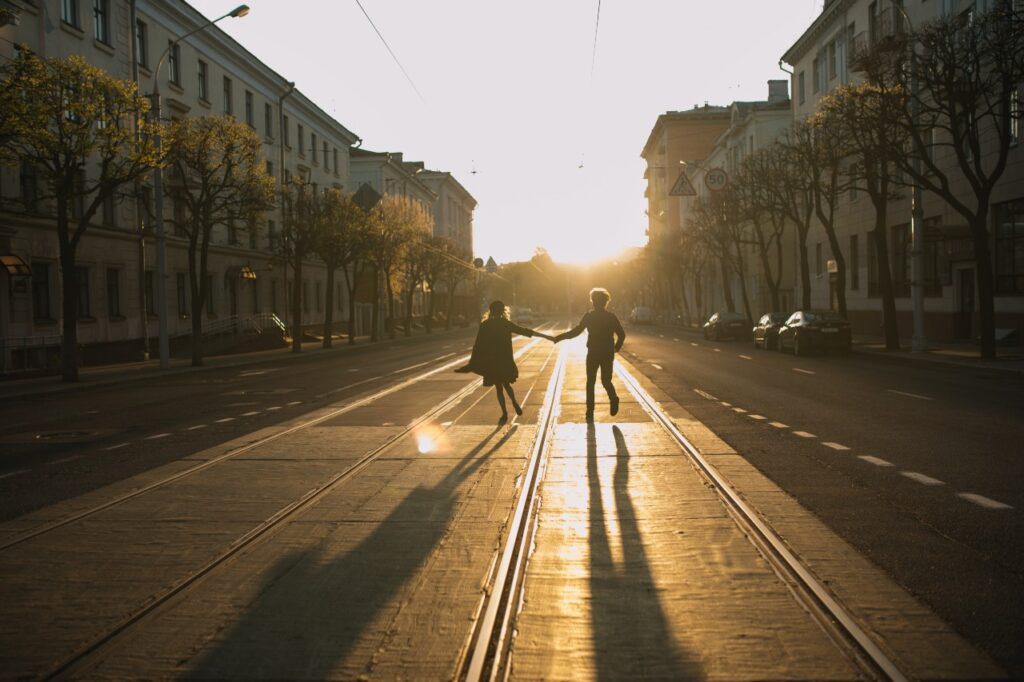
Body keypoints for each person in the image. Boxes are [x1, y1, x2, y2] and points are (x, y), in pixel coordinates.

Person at [456, 300, 554, 422]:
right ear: (503, 311)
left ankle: (504, 413)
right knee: (507, 384)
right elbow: (525, 331)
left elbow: (478, 345)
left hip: (492, 362)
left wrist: (472, 363)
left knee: (498, 388)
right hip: (505, 360)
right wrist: (546, 336)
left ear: (490, 311)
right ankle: (514, 402)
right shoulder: (505, 323)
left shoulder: (485, 325)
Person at [554, 287, 625, 421]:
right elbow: (622, 335)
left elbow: (576, 332)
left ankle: (590, 412)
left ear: (593, 301)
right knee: (606, 380)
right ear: (606, 302)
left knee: (590, 382)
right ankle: (613, 397)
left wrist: (559, 337)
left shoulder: (589, 317)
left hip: (593, 353)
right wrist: (616, 348)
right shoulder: (611, 317)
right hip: (608, 353)